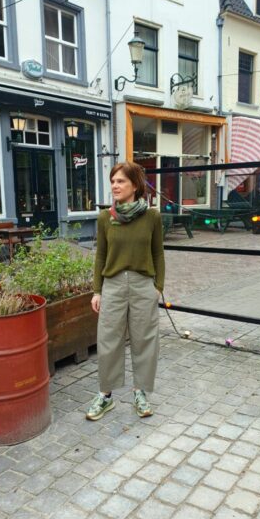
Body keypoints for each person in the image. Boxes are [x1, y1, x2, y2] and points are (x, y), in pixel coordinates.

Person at [86, 161, 165, 421]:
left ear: (135, 185)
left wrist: (158, 287)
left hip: (143, 285)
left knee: (145, 341)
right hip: (113, 285)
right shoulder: (105, 218)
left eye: (121, 181)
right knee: (108, 340)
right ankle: (105, 395)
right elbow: (100, 256)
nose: (115, 186)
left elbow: (158, 253)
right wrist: (97, 290)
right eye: (113, 181)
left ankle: (140, 392)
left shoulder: (152, 217)